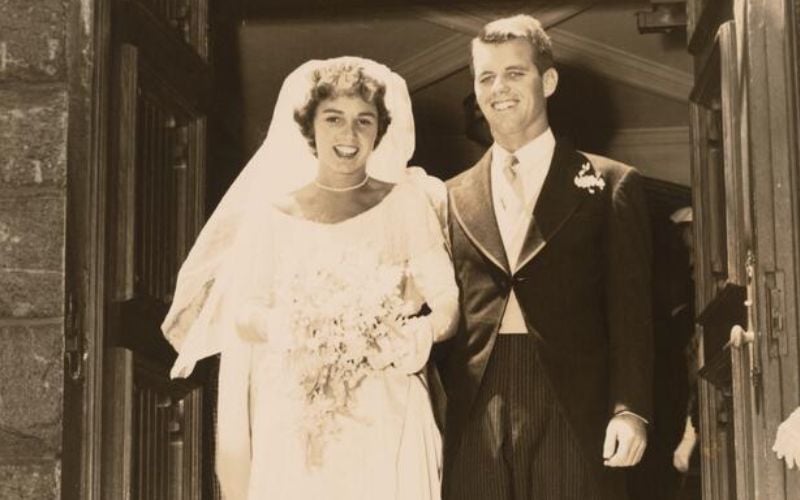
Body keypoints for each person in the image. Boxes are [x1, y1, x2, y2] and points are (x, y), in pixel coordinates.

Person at [161, 57, 459, 500]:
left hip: (386, 407)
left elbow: (447, 302)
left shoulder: (406, 204)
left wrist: (414, 336)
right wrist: (295, 326)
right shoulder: (275, 213)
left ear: (380, 130)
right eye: (333, 118)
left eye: (364, 121)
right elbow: (244, 313)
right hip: (300, 415)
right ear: (309, 126)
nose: (349, 134)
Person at [436, 15, 654, 500]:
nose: (499, 88)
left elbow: (632, 310)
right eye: (486, 77)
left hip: (575, 402)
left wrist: (630, 409)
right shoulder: (447, 196)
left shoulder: (611, 182)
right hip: (475, 401)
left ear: (547, 80)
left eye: (515, 73)